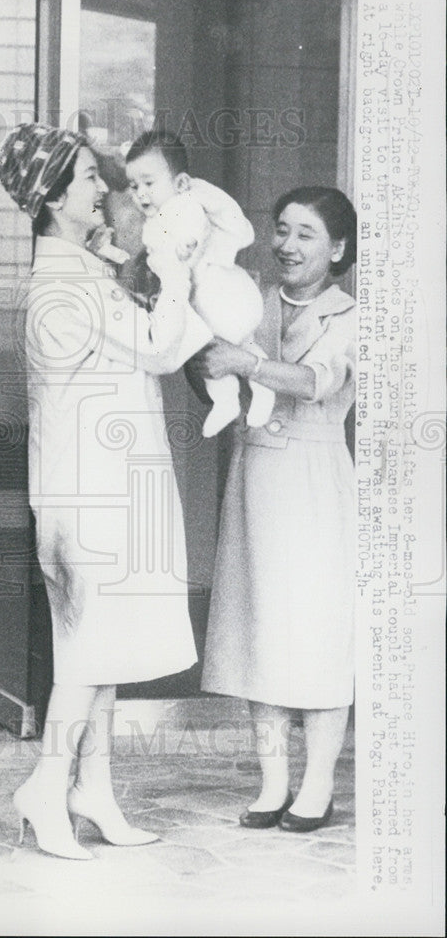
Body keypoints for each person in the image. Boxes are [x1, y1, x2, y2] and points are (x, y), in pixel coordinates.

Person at [0, 122, 214, 859]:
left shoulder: (82, 272)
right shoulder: (65, 283)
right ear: (54, 196)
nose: (104, 187)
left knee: (97, 650)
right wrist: (179, 274)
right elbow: (161, 347)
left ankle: (94, 788)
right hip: (94, 496)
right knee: (91, 653)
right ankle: (48, 780)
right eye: (89, 177)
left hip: (86, 488)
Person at [194, 186, 357, 833]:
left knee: (316, 631)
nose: (287, 245)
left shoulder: (350, 315)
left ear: (338, 248)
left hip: (315, 481)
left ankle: (317, 788)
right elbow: (208, 363)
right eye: (282, 230)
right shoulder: (250, 302)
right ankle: (272, 785)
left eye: (306, 234)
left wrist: (245, 361)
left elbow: (318, 381)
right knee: (260, 626)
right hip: (256, 472)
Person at [126, 128, 274, 438]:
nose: (141, 194)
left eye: (149, 183)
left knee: (212, 344)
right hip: (202, 301)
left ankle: (241, 396)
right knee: (212, 351)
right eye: (134, 185)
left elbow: (198, 228)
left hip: (220, 293)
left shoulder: (187, 203)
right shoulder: (154, 223)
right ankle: (234, 398)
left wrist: (186, 246)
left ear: (179, 181)